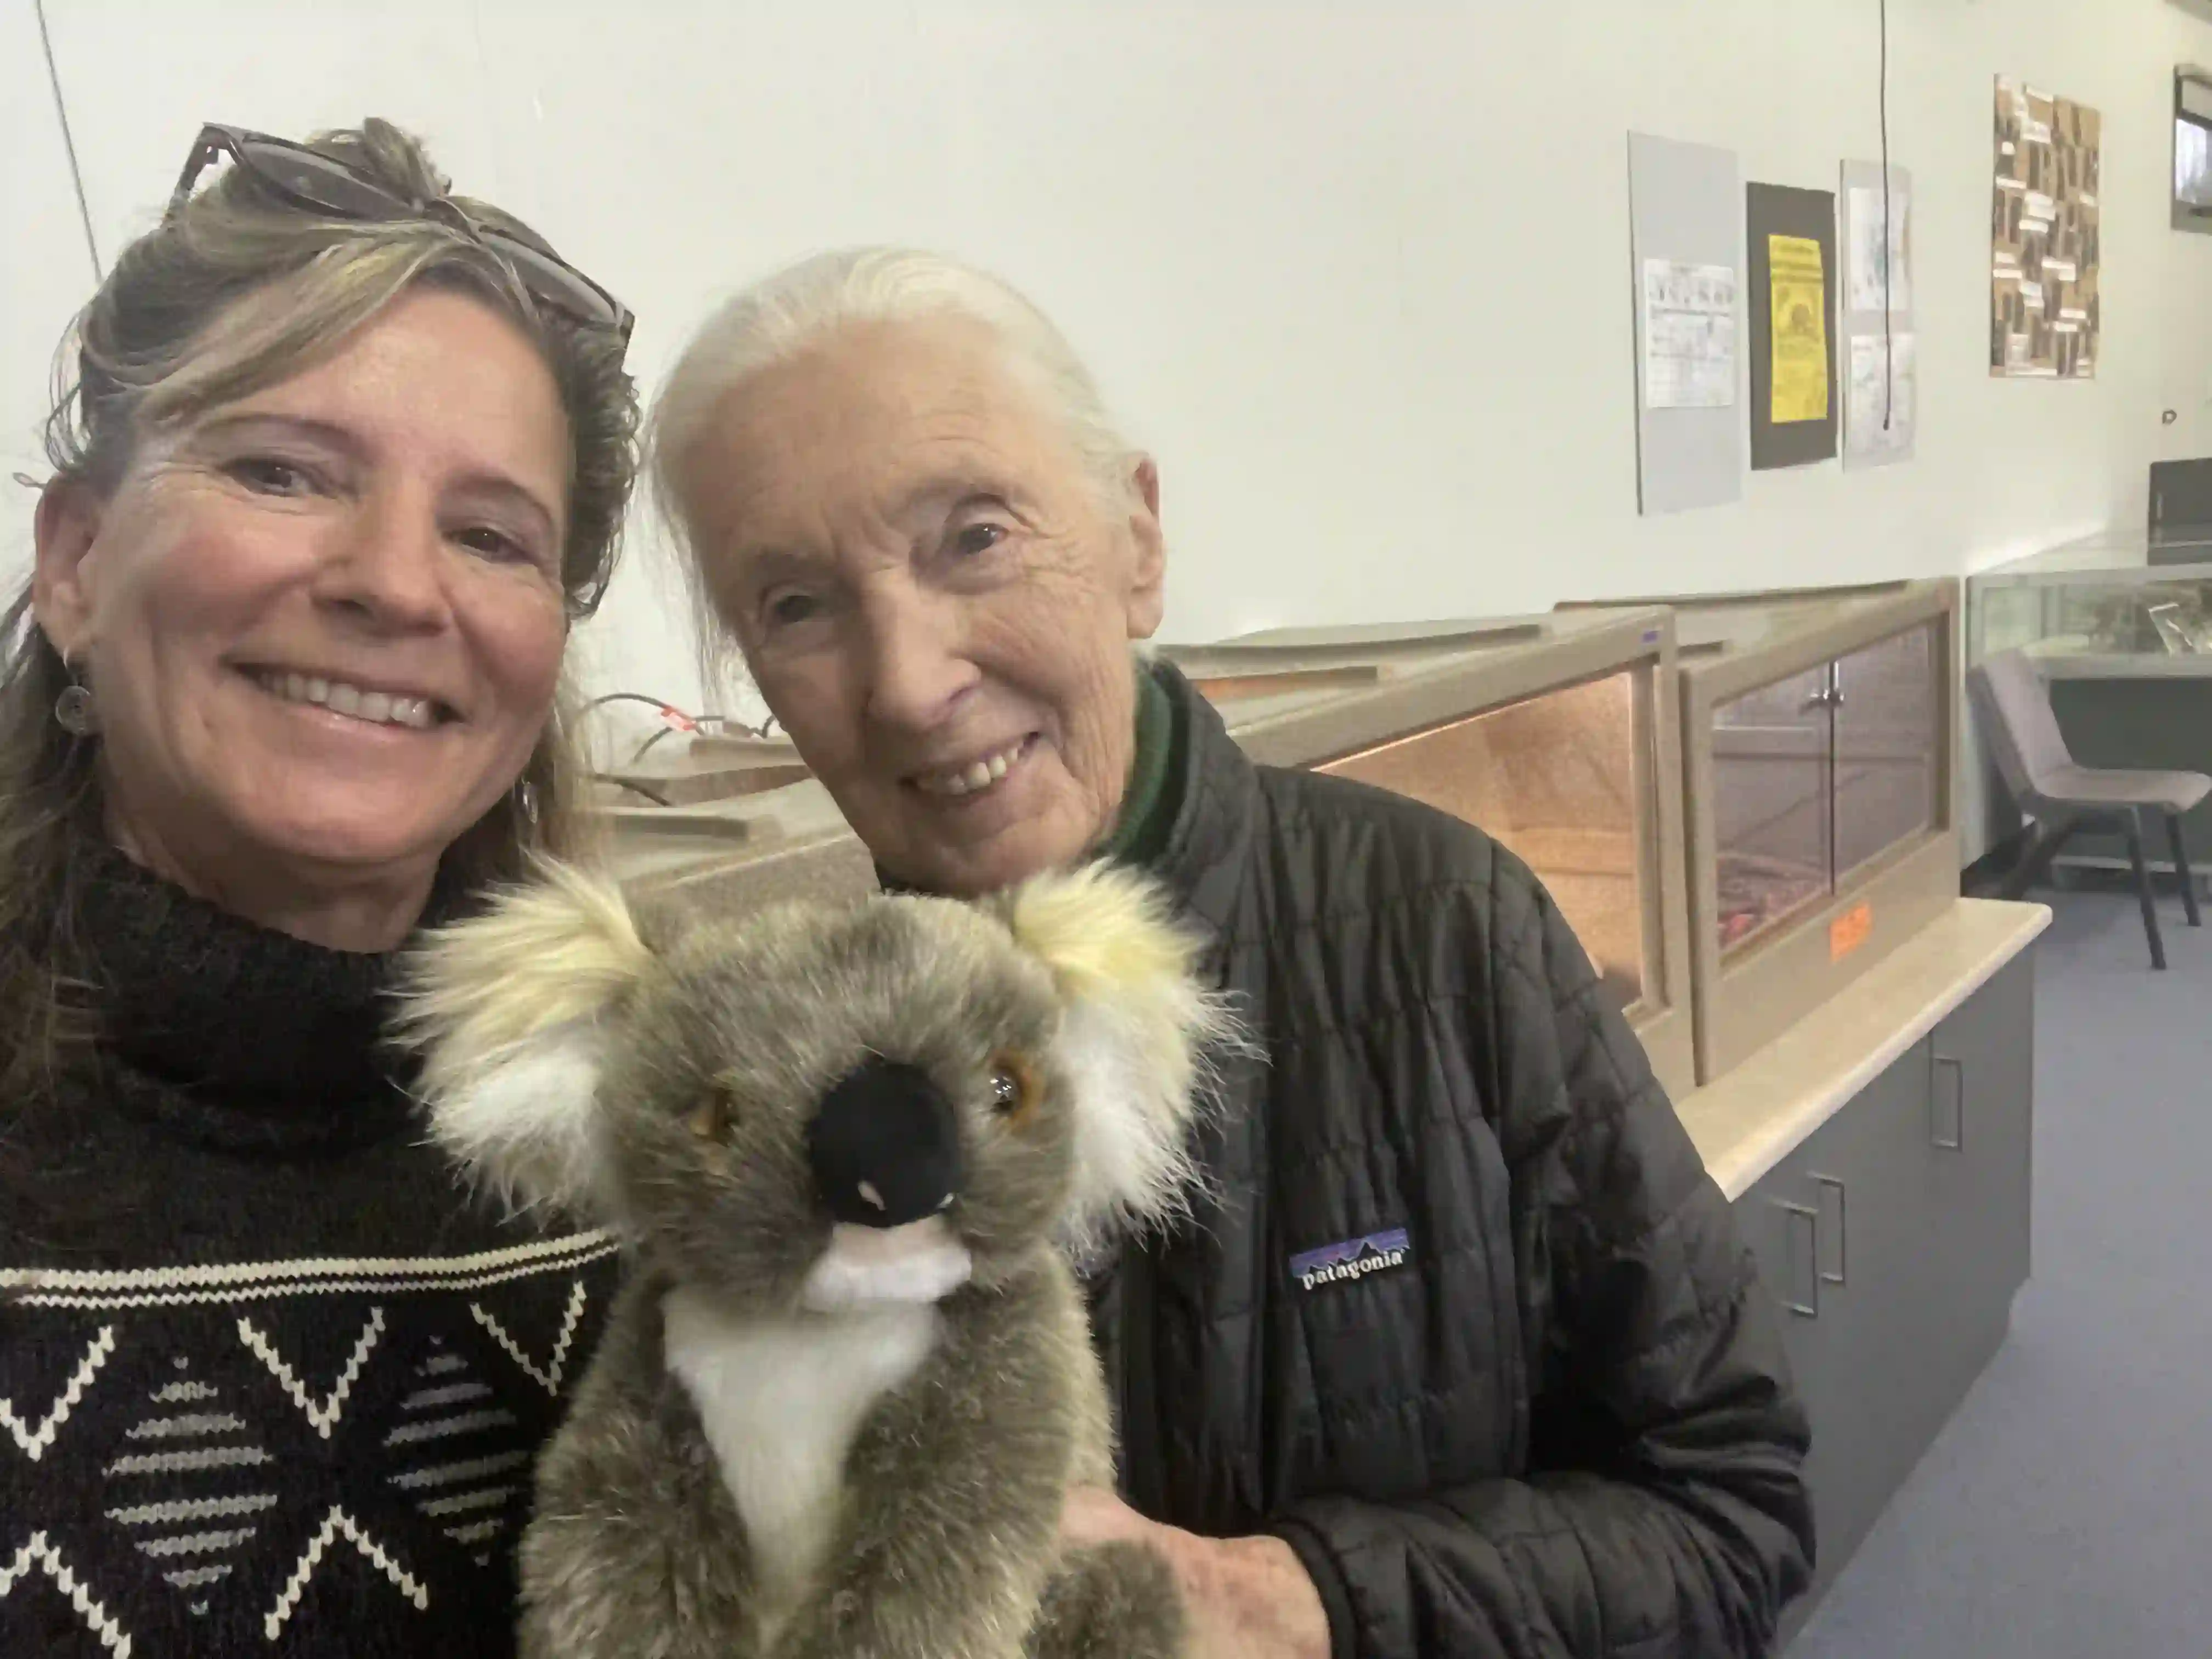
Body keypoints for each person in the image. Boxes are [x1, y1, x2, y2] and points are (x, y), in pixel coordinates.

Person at [651, 247, 1815, 1659]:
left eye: (974, 537)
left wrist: (1280, 1602)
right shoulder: (758, 1087)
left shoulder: (1447, 933)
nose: (907, 681)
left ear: (1137, 541)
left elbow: (1730, 1516)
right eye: (795, 606)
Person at [0, 120, 637, 1658]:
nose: (394, 585)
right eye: (284, 471)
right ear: (77, 562)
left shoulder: (666, 1156)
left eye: (489, 534)